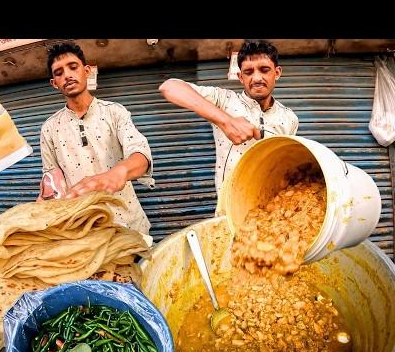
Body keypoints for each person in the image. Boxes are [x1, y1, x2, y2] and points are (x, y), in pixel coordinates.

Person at [39, 41, 154, 235]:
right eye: (58, 73)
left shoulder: (115, 112)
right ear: (54, 83)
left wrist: (117, 173)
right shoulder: (49, 128)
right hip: (85, 232)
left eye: (73, 67)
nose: (67, 75)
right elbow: (51, 180)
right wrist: (43, 203)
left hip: (129, 226)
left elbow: (141, 156)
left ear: (87, 71)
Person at [159, 39, 299, 193]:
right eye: (248, 72)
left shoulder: (289, 118)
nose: (257, 78)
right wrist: (226, 121)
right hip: (230, 206)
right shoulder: (224, 100)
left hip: (272, 204)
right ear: (240, 77)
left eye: (264, 70)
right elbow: (169, 87)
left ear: (277, 72)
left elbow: (289, 163)